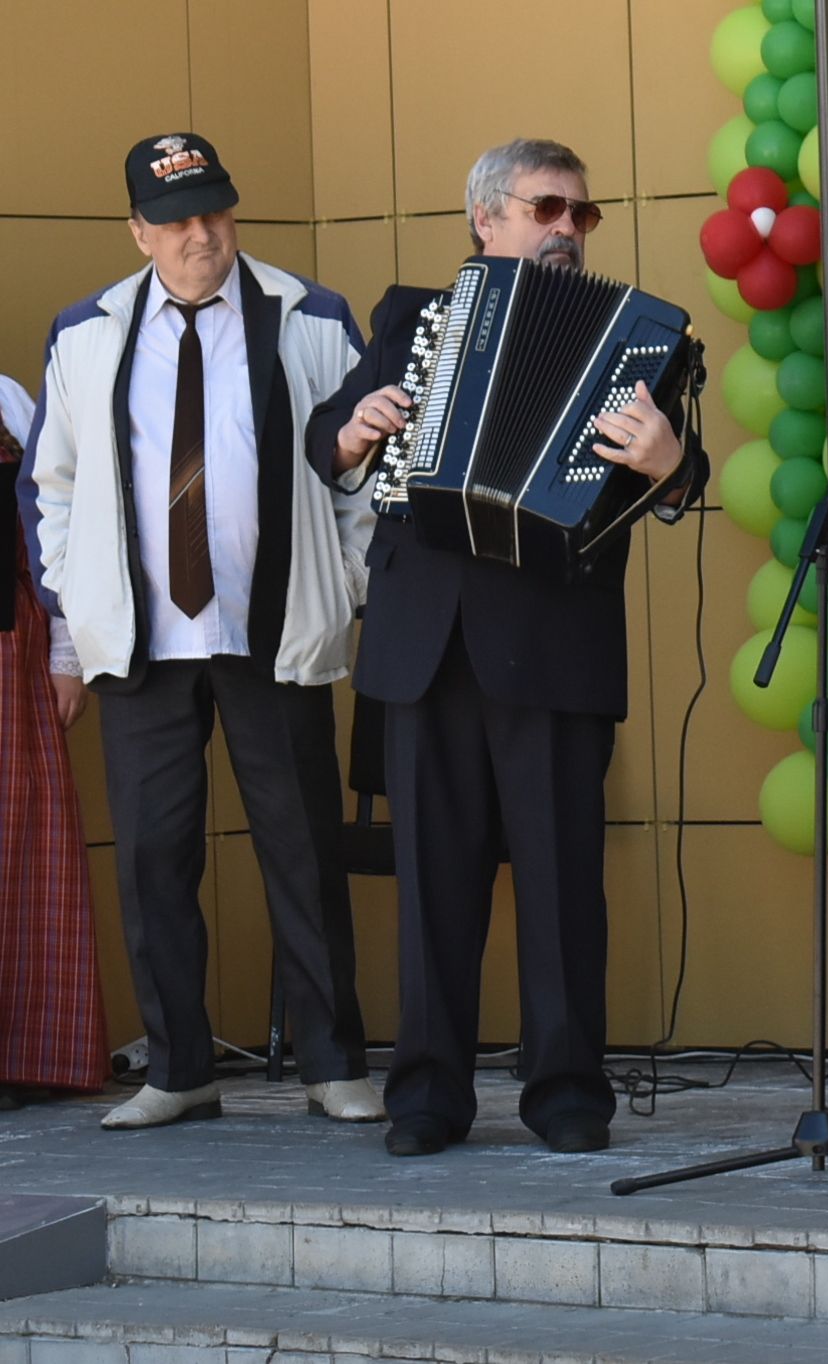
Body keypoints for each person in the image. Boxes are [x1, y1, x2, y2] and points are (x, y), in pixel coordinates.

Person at [306, 138, 708, 1158]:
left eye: (582, 212)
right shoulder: (408, 320)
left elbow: (679, 470)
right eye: (548, 208)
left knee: (563, 877)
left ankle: (567, 1089)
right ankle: (427, 1093)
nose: (569, 228)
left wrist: (671, 462)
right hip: (426, 640)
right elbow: (325, 439)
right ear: (487, 219)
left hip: (554, 641)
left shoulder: (640, 335)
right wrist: (355, 430)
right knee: (434, 880)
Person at [21, 132, 382, 1129]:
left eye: (215, 213)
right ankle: (178, 1068)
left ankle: (333, 1061)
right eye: (176, 222)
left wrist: (342, 580)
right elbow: (52, 485)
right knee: (153, 858)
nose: (201, 236)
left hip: (270, 632)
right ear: (139, 232)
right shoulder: (86, 331)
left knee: (303, 853)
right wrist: (76, 597)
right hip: (143, 642)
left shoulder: (309, 317)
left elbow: (364, 472)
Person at [0, 375, 110, 1108]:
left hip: (8, 658)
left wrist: (67, 657)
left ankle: (23, 1058)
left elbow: (56, 529)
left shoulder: (6, 401)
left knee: (20, 851)